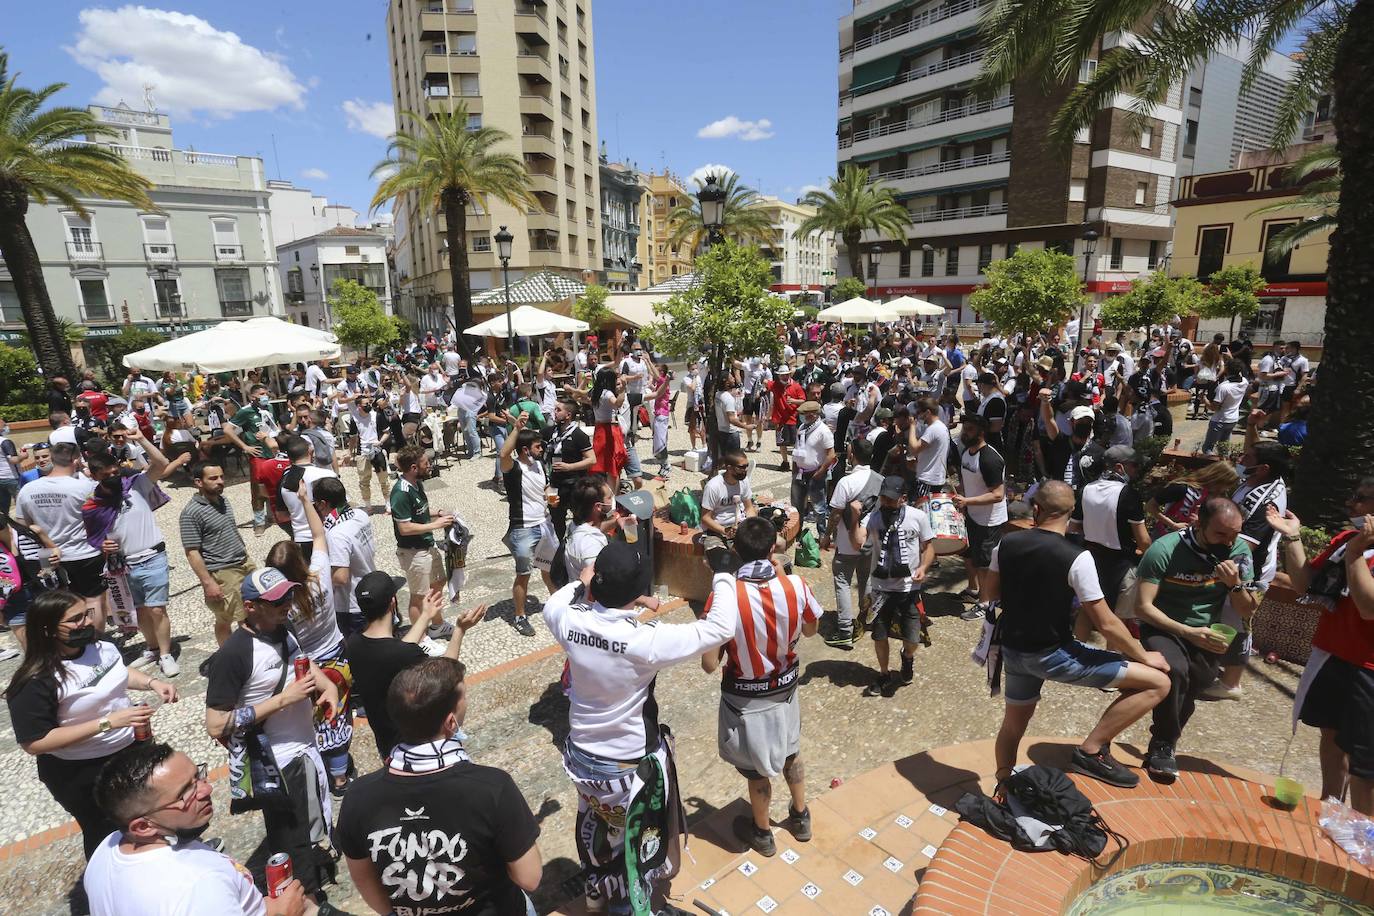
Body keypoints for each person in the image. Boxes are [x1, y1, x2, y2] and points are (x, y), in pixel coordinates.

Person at [544, 542, 736, 914]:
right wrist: (724, 572)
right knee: (637, 847)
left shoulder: (567, 620)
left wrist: (584, 584)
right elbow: (720, 626)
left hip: (582, 757)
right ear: (636, 592)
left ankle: (599, 894)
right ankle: (632, 908)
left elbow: (558, 602)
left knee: (600, 830)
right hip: (625, 768)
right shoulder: (644, 642)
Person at [989, 484, 1172, 788]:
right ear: (1073, 512)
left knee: (1012, 725)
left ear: (1036, 509)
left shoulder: (1006, 544)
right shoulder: (1077, 557)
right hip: (1053, 654)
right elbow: (1108, 623)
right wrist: (1143, 655)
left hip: (1014, 652)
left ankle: (1004, 784)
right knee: (1159, 682)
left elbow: (990, 593)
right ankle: (1091, 750)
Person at [336, 658, 541, 915]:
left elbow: (363, 877)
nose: (467, 701)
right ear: (451, 722)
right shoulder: (493, 787)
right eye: (464, 697)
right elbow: (529, 877)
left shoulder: (358, 796)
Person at [6, 590, 177, 859]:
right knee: (106, 835)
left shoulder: (99, 644)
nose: (85, 623)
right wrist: (107, 723)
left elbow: (115, 670)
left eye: (86, 614)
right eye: (74, 620)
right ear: (48, 629)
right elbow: (35, 742)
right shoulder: (36, 679)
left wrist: (151, 683)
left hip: (129, 750)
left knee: (150, 813)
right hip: (81, 771)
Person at [204, 568, 341, 900]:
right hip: (274, 760)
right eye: (276, 600)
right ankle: (306, 898)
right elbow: (216, 723)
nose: (286, 604)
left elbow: (306, 663)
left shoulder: (284, 626)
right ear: (250, 606)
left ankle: (307, 879)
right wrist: (283, 700)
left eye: (288, 595)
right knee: (288, 837)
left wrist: (329, 689)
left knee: (307, 822)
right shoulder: (234, 655)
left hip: (305, 747)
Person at [701, 517, 820, 856]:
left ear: (735, 550)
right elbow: (810, 632)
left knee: (756, 769)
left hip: (744, 696)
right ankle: (800, 817)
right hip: (786, 690)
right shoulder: (797, 586)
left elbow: (710, 665)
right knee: (791, 752)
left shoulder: (725, 596)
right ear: (773, 549)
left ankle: (763, 833)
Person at [85, 741, 312, 916]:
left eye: (197, 777)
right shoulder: (199, 884)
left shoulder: (106, 849)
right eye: (185, 793)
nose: (207, 789)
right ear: (143, 826)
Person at [1133, 498, 1258, 782]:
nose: (1229, 542)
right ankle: (1163, 744)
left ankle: (1165, 740)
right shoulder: (1164, 549)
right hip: (1162, 626)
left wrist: (1235, 585)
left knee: (1199, 681)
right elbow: (1142, 607)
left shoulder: (1238, 553)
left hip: (1207, 631)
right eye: (1221, 534)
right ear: (1198, 525)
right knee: (1175, 671)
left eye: (1235, 534)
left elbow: (1248, 609)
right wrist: (1187, 632)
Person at [1268, 482, 1374, 814]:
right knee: (1331, 733)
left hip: (1369, 667)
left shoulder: (1353, 548)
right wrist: (1292, 536)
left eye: (1359, 499)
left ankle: (1361, 835)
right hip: (1332, 655)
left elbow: (1368, 608)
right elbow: (1304, 584)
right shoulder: (1346, 542)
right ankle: (1331, 808)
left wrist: (1357, 554)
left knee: (1364, 759)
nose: (1350, 503)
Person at [266, 480, 354, 796]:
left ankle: (321, 768)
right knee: (338, 713)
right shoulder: (320, 578)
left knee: (314, 718)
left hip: (307, 666)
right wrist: (305, 500)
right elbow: (319, 535)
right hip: (337, 654)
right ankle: (341, 775)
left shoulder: (279, 609)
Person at [84, 438, 184, 678]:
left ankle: (165, 653)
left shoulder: (136, 485)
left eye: (115, 472)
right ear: (95, 475)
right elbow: (94, 536)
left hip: (153, 556)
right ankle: (151, 648)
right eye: (106, 474)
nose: (113, 476)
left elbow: (161, 462)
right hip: (123, 564)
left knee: (157, 609)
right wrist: (102, 546)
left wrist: (139, 437)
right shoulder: (92, 505)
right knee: (139, 610)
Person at [17, 442, 108, 628]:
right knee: (93, 600)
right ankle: (95, 640)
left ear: (53, 458)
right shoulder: (85, 487)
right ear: (76, 460)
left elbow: (23, 526)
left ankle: (66, 641)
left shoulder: (27, 490)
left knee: (59, 603)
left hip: (47, 556)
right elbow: (102, 521)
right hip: (84, 552)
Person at [862, 475, 936, 697]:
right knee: (879, 635)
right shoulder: (873, 519)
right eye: (883, 498)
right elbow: (858, 542)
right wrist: (857, 515)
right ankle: (884, 674)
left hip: (909, 588)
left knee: (913, 638)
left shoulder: (918, 517)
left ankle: (907, 657)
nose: (886, 503)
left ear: (903, 499)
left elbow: (928, 547)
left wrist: (923, 567)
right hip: (881, 588)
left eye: (891, 500)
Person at [1073, 445, 1151, 625]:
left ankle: (1078, 649)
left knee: (1088, 611)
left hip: (1091, 560)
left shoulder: (1086, 489)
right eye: (1134, 465)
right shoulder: (1129, 494)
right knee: (1120, 621)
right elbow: (1143, 541)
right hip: (1122, 564)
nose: (1136, 470)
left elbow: (1074, 527)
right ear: (1119, 467)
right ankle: (1113, 654)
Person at [180, 463, 256, 648]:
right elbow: (192, 551)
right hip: (223, 571)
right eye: (213, 478)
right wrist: (208, 582)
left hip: (243, 562)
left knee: (254, 610)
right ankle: (231, 656)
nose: (220, 482)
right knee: (234, 617)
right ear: (198, 482)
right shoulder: (191, 513)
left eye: (221, 477)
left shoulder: (223, 501)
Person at [822, 438, 882, 649]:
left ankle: (845, 630)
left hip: (847, 543)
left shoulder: (846, 482)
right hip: (870, 541)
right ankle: (865, 620)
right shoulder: (880, 479)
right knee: (865, 579)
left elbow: (835, 515)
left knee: (842, 582)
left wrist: (827, 535)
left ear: (851, 455)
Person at [390, 445, 455, 639]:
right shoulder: (400, 493)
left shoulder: (416, 483)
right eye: (426, 463)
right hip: (413, 551)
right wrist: (437, 525)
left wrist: (438, 513)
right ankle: (420, 638)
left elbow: (419, 512)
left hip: (427, 546)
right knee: (419, 596)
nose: (430, 465)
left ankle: (437, 626)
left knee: (438, 583)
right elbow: (405, 528)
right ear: (413, 467)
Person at [952, 415, 1007, 618]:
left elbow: (997, 494)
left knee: (984, 563)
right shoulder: (967, 453)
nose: (965, 432)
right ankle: (973, 590)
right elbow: (968, 483)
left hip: (989, 520)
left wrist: (967, 502)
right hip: (973, 515)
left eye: (970, 429)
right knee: (969, 555)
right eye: (964, 428)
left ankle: (985, 604)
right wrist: (960, 494)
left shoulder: (990, 459)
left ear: (981, 433)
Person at [500, 419, 550, 637]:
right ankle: (520, 617)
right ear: (524, 449)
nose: (541, 449)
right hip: (523, 529)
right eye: (537, 446)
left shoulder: (539, 465)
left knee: (549, 569)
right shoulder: (514, 469)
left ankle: (560, 605)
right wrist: (517, 429)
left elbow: (544, 488)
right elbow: (503, 455)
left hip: (544, 524)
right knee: (524, 574)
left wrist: (550, 497)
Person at [222, 384, 280, 532]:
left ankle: (272, 514)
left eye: (266, 392)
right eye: (262, 393)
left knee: (273, 483)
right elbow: (228, 430)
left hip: (271, 452)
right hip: (257, 453)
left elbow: (274, 427)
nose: (265, 395)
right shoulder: (245, 412)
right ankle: (259, 521)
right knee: (257, 487)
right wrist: (244, 447)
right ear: (253, 397)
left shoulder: (269, 408)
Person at [544, 397, 596, 542]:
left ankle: (579, 544)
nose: (554, 412)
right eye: (555, 409)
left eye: (558, 410)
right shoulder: (550, 432)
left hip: (575, 484)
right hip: (554, 485)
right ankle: (559, 548)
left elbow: (592, 460)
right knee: (556, 518)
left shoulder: (578, 435)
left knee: (580, 518)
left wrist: (569, 467)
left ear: (568, 415)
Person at [700, 447, 757, 573]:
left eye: (746, 466)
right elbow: (705, 518)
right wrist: (724, 531)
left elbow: (749, 508)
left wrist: (751, 526)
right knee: (721, 563)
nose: (745, 470)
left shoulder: (744, 481)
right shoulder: (713, 487)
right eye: (741, 467)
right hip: (716, 531)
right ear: (729, 467)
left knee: (754, 557)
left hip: (739, 527)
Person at [790, 401, 836, 528]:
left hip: (815, 474)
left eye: (804, 414)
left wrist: (819, 473)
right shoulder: (802, 427)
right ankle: (797, 534)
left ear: (813, 415)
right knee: (796, 506)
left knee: (819, 508)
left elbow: (831, 455)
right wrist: (794, 469)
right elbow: (798, 448)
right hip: (799, 473)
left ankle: (822, 535)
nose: (801, 416)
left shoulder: (823, 431)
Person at [564, 475, 616, 583]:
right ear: (598, 507)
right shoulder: (590, 545)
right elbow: (601, 584)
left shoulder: (575, 525)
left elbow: (594, 529)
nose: (612, 501)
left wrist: (617, 522)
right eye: (609, 498)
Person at [907, 397, 950, 502]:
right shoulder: (940, 427)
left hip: (927, 481)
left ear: (927, 412)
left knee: (922, 509)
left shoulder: (933, 429)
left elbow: (914, 449)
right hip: (934, 478)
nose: (919, 416)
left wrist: (912, 426)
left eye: (919, 413)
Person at [1201, 359, 1248, 454]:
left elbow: (1214, 407)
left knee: (1207, 448)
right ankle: (1224, 464)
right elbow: (1240, 373)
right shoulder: (1244, 382)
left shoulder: (1223, 387)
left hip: (1220, 420)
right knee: (1223, 447)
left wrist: (1204, 399)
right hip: (1233, 419)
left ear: (1226, 370)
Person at [767, 364, 805, 472]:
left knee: (795, 443)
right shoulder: (775, 385)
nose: (784, 377)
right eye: (782, 375)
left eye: (786, 375)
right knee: (782, 443)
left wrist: (793, 401)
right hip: (780, 419)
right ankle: (785, 462)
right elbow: (765, 382)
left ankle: (797, 463)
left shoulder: (796, 386)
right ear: (779, 376)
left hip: (792, 418)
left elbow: (803, 399)